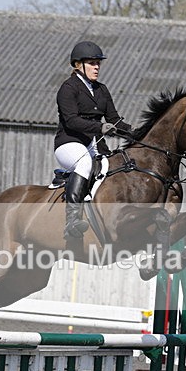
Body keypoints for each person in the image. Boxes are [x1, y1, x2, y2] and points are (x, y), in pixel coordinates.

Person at [53, 41, 132, 239]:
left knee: (116, 166)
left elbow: (115, 120)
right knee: (84, 163)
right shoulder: (68, 88)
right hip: (69, 143)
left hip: (95, 145)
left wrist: (137, 133)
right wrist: (100, 127)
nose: (97, 67)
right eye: (92, 63)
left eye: (98, 63)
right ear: (78, 65)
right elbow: (71, 121)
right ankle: (71, 220)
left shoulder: (101, 90)